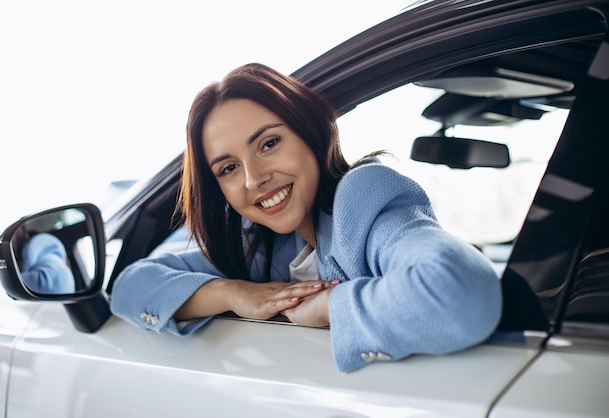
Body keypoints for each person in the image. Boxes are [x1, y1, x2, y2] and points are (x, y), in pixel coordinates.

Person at [110, 63, 502, 373]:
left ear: (311, 133)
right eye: (228, 168)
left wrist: (331, 305)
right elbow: (131, 287)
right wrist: (234, 293)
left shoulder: (363, 200)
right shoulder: (264, 248)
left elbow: (462, 293)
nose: (254, 179)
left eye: (268, 143)